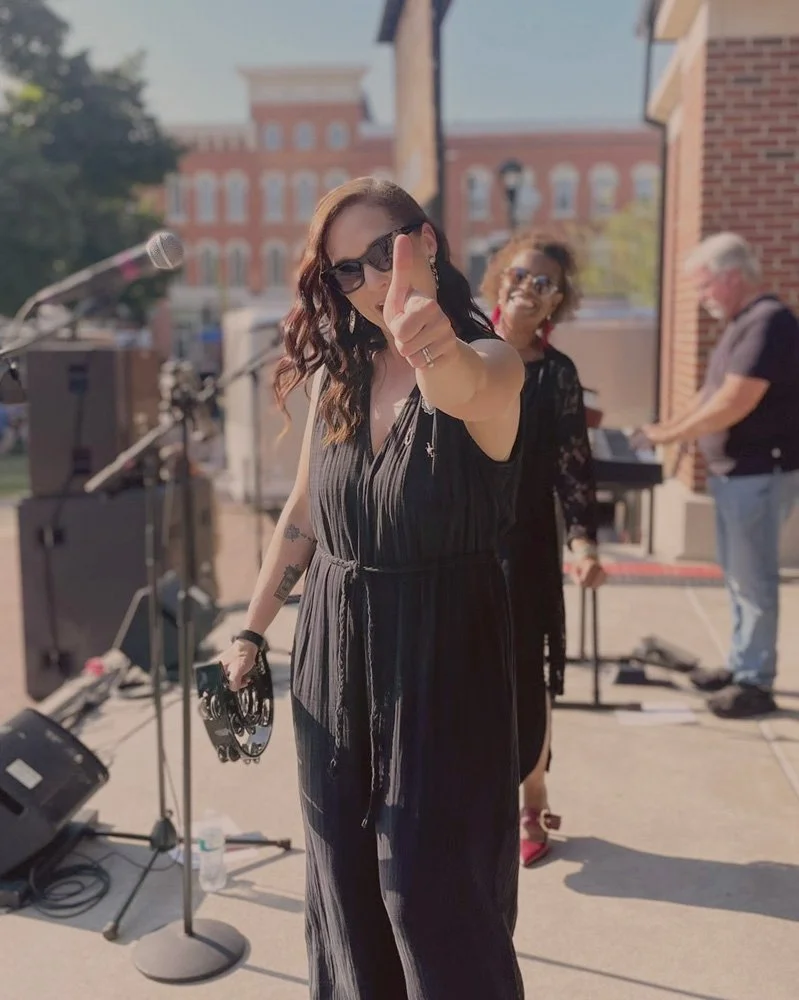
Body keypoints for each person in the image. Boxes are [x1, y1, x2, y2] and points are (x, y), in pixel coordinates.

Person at [220, 177, 526, 999]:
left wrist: (427, 343)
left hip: (444, 657)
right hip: (332, 647)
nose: (365, 283)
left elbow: (464, 388)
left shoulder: (490, 360)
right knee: (342, 880)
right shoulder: (339, 377)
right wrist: (251, 631)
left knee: (432, 896)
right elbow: (303, 512)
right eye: (342, 273)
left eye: (377, 255)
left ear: (424, 241)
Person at [480, 232, 606, 868]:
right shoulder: (463, 350)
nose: (525, 287)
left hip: (526, 542)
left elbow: (571, 466)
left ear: (557, 301)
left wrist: (583, 540)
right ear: (499, 277)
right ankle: (474, 800)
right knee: (463, 673)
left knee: (526, 674)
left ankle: (533, 795)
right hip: (461, 541)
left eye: (542, 282)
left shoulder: (558, 375)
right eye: (519, 274)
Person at [636, 232, 799, 719]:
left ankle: (755, 681)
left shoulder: (770, 323)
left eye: (705, 286)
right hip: (737, 475)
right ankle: (740, 662)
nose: (702, 297)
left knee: (753, 580)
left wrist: (668, 437)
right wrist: (668, 429)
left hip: (758, 473)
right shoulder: (742, 324)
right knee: (737, 577)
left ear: (732, 277)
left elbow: (734, 403)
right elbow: (711, 395)